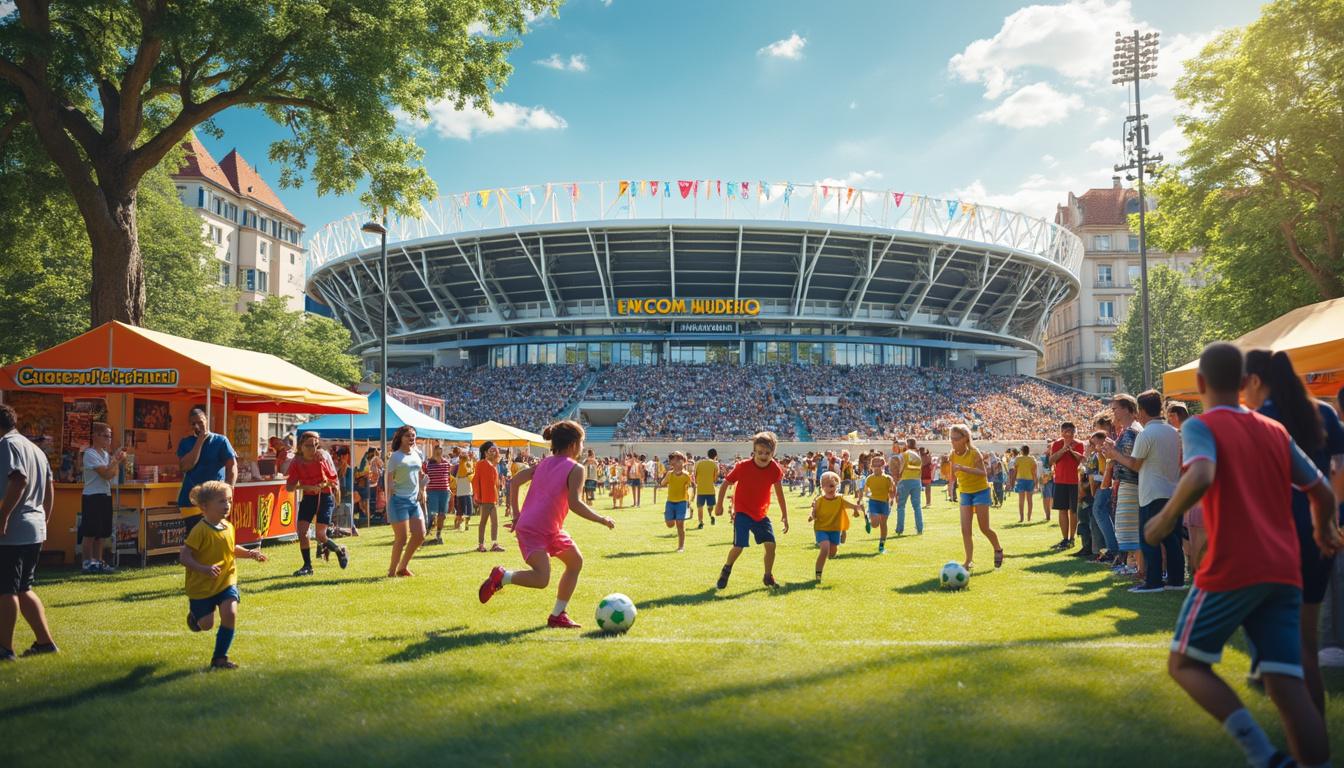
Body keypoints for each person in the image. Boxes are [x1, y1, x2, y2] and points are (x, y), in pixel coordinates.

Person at [1143, 342, 1341, 768]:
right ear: (1243, 382)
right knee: (1287, 685)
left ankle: (1263, 756)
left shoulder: (1201, 425)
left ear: (1200, 384)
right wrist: (1325, 529)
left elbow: (1201, 472)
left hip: (1234, 566)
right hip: (1285, 569)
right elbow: (1322, 490)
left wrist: (1165, 520)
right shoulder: (1274, 429)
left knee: (1185, 664)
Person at [1243, 348, 1344, 714]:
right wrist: (1329, 517)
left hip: (1276, 538)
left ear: (1255, 380)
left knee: (1286, 644)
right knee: (1306, 643)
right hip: (1317, 532)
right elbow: (1340, 468)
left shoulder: (1260, 421)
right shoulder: (1324, 412)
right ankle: (1312, 735)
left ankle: (1304, 740)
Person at [479, 420, 615, 629]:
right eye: (582, 442)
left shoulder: (543, 463)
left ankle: (558, 615)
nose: (582, 448)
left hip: (546, 528)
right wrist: (601, 519)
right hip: (537, 528)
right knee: (542, 579)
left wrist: (517, 516)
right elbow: (575, 504)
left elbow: (514, 482)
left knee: (575, 562)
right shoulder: (576, 468)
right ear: (572, 445)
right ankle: (502, 577)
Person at [180, 481, 267, 670]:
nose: (227, 505)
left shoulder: (228, 526)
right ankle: (196, 617)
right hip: (202, 586)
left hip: (227, 580)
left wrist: (251, 553)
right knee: (206, 625)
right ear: (204, 507)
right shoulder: (200, 530)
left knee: (230, 613)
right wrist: (203, 568)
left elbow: (232, 549)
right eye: (221, 501)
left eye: (229, 500)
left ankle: (220, 658)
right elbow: (184, 556)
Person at [1105, 391, 1182, 593]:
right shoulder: (1173, 431)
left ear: (1141, 410)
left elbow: (1135, 464)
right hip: (1173, 492)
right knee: (1172, 540)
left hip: (1152, 493)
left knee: (1150, 539)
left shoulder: (1147, 433)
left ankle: (1153, 581)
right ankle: (1176, 580)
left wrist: (1115, 454)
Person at [0, 404, 58, 661]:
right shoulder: (36, 449)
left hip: (13, 528)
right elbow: (49, 487)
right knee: (24, 588)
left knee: (6, 589)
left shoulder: (6, 445)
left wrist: (3, 515)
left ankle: (4, 648)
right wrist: (44, 519)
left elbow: (18, 479)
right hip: (34, 527)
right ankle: (45, 643)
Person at [714, 431, 789, 590]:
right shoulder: (742, 466)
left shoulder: (774, 469)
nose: (763, 456)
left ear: (773, 453)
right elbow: (726, 483)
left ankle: (768, 576)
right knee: (739, 546)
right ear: (753, 451)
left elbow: (780, 492)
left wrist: (785, 515)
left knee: (771, 545)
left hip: (761, 514)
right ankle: (726, 569)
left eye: (767, 453)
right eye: (760, 452)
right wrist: (719, 504)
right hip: (742, 512)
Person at [284, 431, 347, 576]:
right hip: (308, 498)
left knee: (320, 535)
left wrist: (324, 484)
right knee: (302, 532)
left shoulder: (322, 458)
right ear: (301, 446)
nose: (313, 449)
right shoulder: (296, 462)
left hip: (324, 497)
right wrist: (306, 487)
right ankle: (307, 566)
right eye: (309, 446)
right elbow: (289, 487)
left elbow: (334, 481)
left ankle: (339, 550)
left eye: (315, 445)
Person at [950, 424, 1003, 571]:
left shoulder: (974, 453)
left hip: (980, 491)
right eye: (951, 438)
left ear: (965, 438)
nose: (952, 442)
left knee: (984, 528)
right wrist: (951, 483)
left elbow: (983, 472)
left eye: (955, 439)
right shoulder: (952, 454)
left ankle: (998, 548)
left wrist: (962, 468)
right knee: (965, 530)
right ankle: (968, 561)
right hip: (965, 492)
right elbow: (952, 475)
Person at [176, 406, 238, 531]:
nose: (197, 426)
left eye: (200, 421)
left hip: (215, 498)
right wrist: (200, 441)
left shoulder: (220, 441)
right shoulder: (186, 442)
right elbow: (185, 466)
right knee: (195, 537)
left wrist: (230, 489)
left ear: (207, 420)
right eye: (194, 423)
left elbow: (232, 466)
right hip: (191, 500)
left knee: (214, 534)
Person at [80, 422, 126, 573]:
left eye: (110, 436)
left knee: (102, 532)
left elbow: (111, 475)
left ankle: (98, 561)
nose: (109, 439)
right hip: (92, 495)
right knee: (90, 532)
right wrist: (116, 461)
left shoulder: (106, 455)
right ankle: (87, 562)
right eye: (106, 436)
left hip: (105, 494)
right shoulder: (90, 454)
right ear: (95, 436)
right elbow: (106, 473)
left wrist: (114, 462)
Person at [1167, 402, 1205, 573]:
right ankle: (1193, 568)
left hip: (1190, 487)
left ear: (1175, 415)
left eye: (1170, 417)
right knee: (1190, 529)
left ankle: (1195, 568)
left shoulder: (1183, 435)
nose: (1169, 421)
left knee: (1193, 530)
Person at [1108, 394, 1143, 576]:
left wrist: (1113, 453)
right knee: (1128, 528)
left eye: (1115, 409)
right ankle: (1132, 565)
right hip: (1128, 483)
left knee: (1131, 528)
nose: (1113, 413)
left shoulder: (1131, 431)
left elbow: (1132, 462)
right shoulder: (1130, 430)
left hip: (1130, 483)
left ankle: (1137, 567)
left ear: (1126, 409)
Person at [386, 426, 428, 577]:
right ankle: (391, 571)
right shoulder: (395, 457)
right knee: (401, 538)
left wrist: (423, 490)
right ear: (401, 438)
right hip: (398, 501)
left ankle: (402, 567)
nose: (411, 438)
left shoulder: (417, 454)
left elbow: (420, 473)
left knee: (420, 535)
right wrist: (389, 498)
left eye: (413, 435)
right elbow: (389, 479)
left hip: (413, 500)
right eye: (408, 435)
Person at [811, 470, 864, 581]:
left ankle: (832, 551)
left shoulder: (840, 499)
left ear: (837, 486)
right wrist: (813, 515)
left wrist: (859, 507)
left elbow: (853, 506)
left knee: (832, 553)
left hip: (835, 530)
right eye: (827, 486)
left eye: (833, 486)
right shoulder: (819, 500)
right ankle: (818, 575)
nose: (830, 489)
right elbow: (814, 512)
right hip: (821, 529)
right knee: (824, 549)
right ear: (822, 487)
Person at [1048, 423, 1085, 551]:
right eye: (1066, 431)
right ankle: (1065, 539)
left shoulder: (1079, 444)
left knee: (1073, 511)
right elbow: (1051, 460)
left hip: (1074, 481)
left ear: (1075, 432)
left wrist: (1071, 449)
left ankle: (1072, 538)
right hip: (1060, 481)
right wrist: (1063, 448)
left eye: (1071, 431)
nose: (1069, 433)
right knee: (1062, 510)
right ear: (1061, 432)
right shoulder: (1056, 443)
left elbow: (1081, 459)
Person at [858, 454, 894, 554]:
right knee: (875, 524)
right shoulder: (869, 478)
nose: (876, 468)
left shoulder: (888, 478)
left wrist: (892, 499)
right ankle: (869, 520)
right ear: (871, 467)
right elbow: (865, 491)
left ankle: (882, 546)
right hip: (873, 502)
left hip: (884, 503)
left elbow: (891, 491)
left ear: (883, 466)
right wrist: (862, 498)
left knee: (883, 524)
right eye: (874, 466)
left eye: (879, 466)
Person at [473, 441, 505, 553]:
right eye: (491, 450)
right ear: (485, 453)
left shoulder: (494, 465)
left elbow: (495, 484)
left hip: (493, 498)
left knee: (495, 522)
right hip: (485, 499)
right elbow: (476, 480)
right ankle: (481, 544)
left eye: (495, 450)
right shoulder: (481, 463)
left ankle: (494, 543)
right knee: (483, 522)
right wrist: (477, 496)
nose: (494, 452)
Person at [660, 451, 693, 552]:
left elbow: (692, 487)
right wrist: (665, 480)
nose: (676, 462)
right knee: (670, 524)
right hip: (670, 502)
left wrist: (690, 502)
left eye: (678, 459)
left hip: (682, 502)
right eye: (673, 460)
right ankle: (670, 516)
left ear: (683, 462)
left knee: (680, 524)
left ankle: (681, 547)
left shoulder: (686, 475)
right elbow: (662, 483)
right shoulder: (670, 474)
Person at [424, 444, 452, 545]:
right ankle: (427, 533)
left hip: (444, 491)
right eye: (436, 449)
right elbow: (424, 477)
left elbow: (448, 477)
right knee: (432, 514)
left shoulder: (447, 463)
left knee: (442, 514)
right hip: (432, 491)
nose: (438, 451)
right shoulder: (428, 464)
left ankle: (438, 535)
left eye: (440, 449)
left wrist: (449, 489)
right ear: (433, 450)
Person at [894, 439, 924, 536]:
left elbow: (901, 467)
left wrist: (898, 477)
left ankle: (899, 529)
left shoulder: (903, 455)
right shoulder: (917, 455)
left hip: (905, 480)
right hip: (916, 480)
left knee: (901, 506)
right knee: (917, 506)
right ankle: (920, 528)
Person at [355, 447, 383, 525]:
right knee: (363, 502)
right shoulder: (365, 461)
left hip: (368, 483)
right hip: (364, 484)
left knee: (365, 502)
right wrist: (366, 474)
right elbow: (361, 471)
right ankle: (365, 518)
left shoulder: (368, 460)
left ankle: (366, 518)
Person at [694, 448, 720, 529]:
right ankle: (711, 515)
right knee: (710, 506)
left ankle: (701, 522)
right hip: (710, 490)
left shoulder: (698, 463)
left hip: (700, 489)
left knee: (700, 507)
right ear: (715, 456)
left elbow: (695, 475)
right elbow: (715, 479)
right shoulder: (715, 464)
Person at [452, 446, 475, 531]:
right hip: (464, 490)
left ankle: (462, 524)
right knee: (464, 510)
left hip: (463, 491)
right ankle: (463, 524)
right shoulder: (466, 465)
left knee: (461, 510)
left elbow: (453, 478)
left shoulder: (468, 465)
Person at [1013, 446, 1037, 523]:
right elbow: (1034, 472)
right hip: (1030, 480)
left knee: (1021, 500)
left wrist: (1012, 480)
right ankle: (1029, 517)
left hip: (1020, 480)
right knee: (1029, 500)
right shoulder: (1032, 459)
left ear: (1022, 451)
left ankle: (1021, 517)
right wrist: (1035, 481)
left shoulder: (1018, 459)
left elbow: (1015, 471)